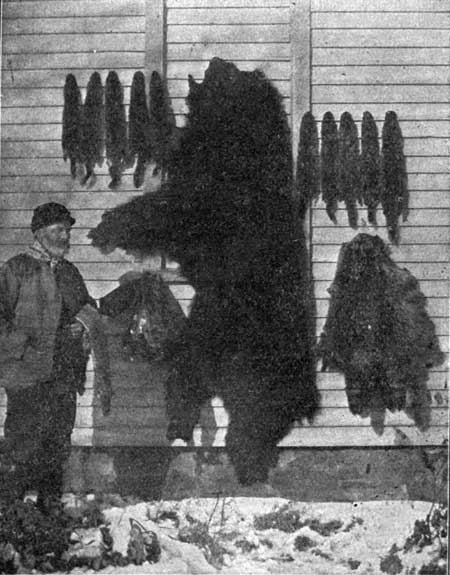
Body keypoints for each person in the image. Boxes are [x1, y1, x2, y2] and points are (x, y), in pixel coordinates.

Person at [0, 202, 96, 512]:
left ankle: (50, 507)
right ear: (40, 233)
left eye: (68, 231)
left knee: (57, 439)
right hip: (26, 372)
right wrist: (18, 349)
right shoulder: (17, 269)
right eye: (58, 230)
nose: (65, 236)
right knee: (22, 440)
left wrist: (80, 326)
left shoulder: (69, 271)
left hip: (64, 371)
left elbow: (87, 307)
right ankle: (10, 510)